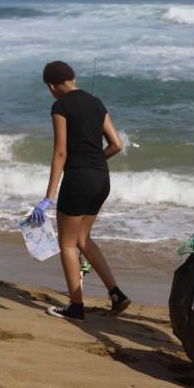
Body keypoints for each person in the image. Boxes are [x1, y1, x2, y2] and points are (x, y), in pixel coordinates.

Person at [30, 60, 130, 322]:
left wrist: (48, 197)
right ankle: (116, 293)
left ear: (52, 86)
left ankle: (76, 306)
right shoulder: (96, 102)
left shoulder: (60, 106)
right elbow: (116, 144)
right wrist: (95, 161)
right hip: (101, 178)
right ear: (72, 78)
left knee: (67, 243)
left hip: (79, 179)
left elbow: (60, 152)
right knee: (83, 239)